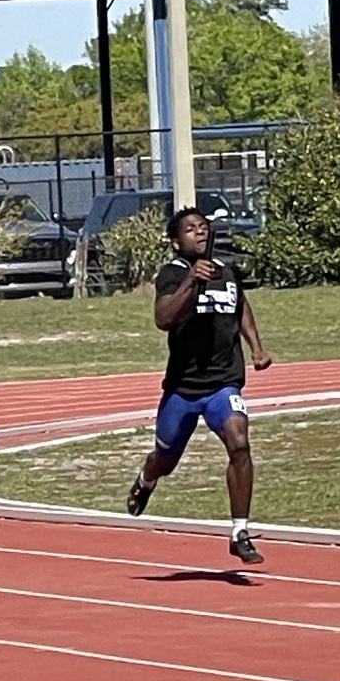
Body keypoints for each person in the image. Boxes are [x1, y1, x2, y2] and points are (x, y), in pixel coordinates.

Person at [126, 206, 272, 564]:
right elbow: (163, 318)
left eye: (204, 227)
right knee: (166, 459)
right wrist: (192, 281)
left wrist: (256, 346)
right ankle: (146, 478)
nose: (200, 233)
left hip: (223, 383)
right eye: (191, 229)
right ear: (177, 242)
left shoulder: (227, 271)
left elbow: (240, 306)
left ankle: (239, 531)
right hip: (183, 388)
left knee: (240, 442)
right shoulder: (172, 274)